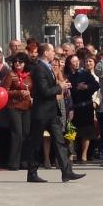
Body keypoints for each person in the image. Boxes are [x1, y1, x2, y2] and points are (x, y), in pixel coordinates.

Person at [28, 42, 83, 183]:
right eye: (52, 51)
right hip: (41, 113)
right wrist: (60, 87)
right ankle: (32, 173)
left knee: (60, 141)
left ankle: (66, 172)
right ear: (46, 53)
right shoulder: (39, 69)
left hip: (52, 112)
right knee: (36, 143)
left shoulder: (48, 67)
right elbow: (44, 91)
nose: (54, 53)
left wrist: (62, 86)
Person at [1, 52, 34, 170]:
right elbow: (4, 91)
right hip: (14, 106)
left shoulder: (30, 75)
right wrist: (19, 92)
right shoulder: (11, 75)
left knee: (26, 133)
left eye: (20, 62)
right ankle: (13, 162)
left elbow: (34, 90)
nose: (17, 64)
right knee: (17, 133)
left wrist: (32, 96)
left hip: (27, 107)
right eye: (15, 61)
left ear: (25, 63)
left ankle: (24, 161)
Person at [68, 53, 99, 163]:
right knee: (71, 131)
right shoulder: (67, 76)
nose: (76, 63)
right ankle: (71, 153)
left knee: (86, 132)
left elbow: (96, 85)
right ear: (69, 64)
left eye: (77, 61)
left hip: (86, 106)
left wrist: (86, 86)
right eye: (73, 62)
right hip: (73, 107)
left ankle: (84, 155)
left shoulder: (85, 74)